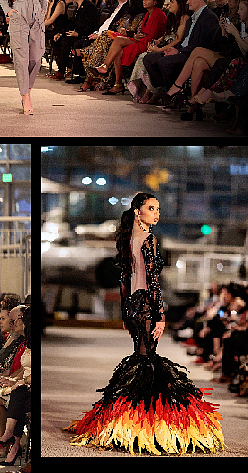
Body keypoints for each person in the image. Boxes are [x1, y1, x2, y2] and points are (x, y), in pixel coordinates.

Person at [65, 193, 224, 454]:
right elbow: (152, 281)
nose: (156, 213)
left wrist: (127, 312)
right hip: (147, 307)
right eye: (151, 208)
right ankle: (143, 425)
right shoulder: (149, 240)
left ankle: (132, 421)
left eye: (158, 209)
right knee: (147, 360)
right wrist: (160, 314)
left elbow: (125, 280)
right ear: (138, 212)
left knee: (143, 359)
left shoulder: (128, 239)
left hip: (134, 306)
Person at [0, 0, 48, 114]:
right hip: (19, 12)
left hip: (36, 13)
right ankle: (25, 97)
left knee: (36, 56)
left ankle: (27, 90)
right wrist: (8, 11)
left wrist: (43, 9)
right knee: (21, 57)